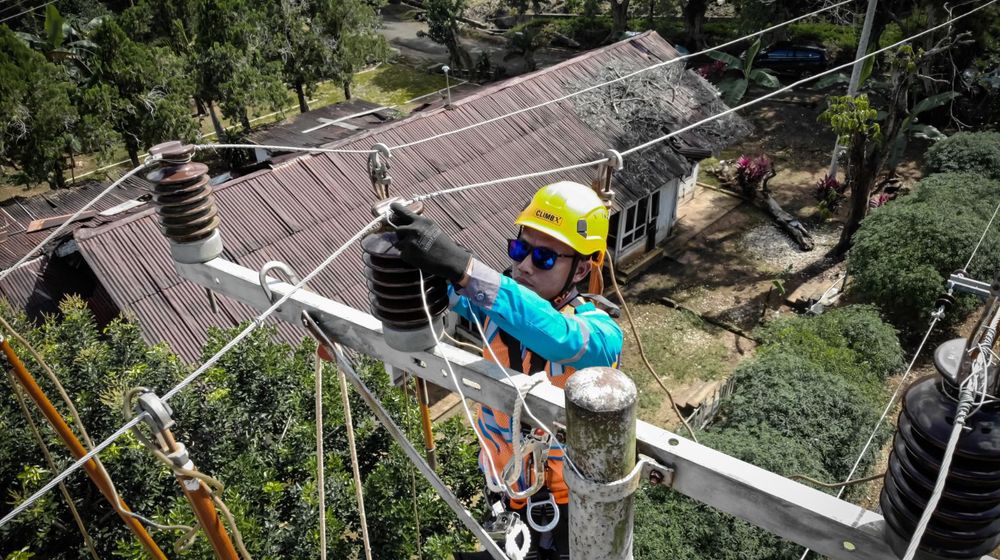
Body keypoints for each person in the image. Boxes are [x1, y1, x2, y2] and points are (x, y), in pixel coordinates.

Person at [389, 181, 624, 559]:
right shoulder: (495, 308)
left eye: (544, 258)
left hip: (572, 505)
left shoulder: (600, 333)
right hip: (505, 487)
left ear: (580, 269)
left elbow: (558, 337)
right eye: (520, 249)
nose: (525, 265)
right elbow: (446, 293)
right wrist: (412, 260)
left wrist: (465, 269)